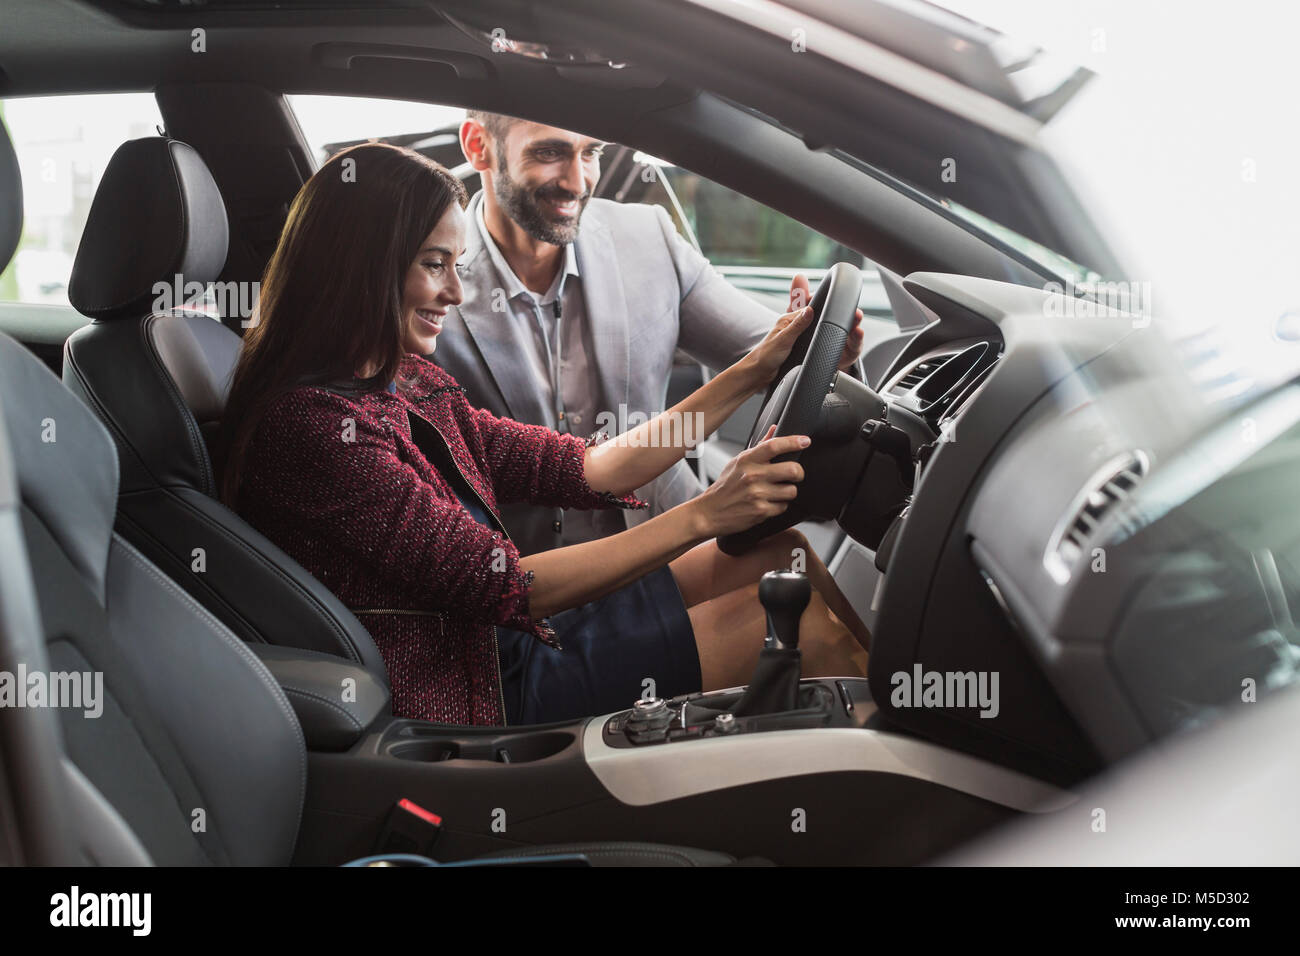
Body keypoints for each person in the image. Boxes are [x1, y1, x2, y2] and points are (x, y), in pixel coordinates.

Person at [220, 143, 870, 727]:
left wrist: (755, 368)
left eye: (456, 264)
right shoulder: (314, 428)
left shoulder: (408, 383)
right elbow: (502, 584)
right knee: (799, 625)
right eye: (434, 265)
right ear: (366, 267)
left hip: (515, 640)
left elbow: (589, 469)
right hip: (481, 691)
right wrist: (704, 514)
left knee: (779, 553)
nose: (453, 291)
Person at [434, 110, 865, 556]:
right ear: (477, 145)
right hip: (532, 583)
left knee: (792, 561)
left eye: (591, 152)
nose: (577, 182)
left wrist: (825, 346)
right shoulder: (429, 279)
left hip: (672, 545)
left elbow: (772, 353)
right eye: (549, 152)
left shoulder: (647, 236)